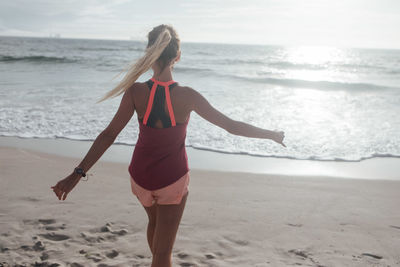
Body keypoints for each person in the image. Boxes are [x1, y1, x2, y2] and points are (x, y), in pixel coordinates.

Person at [51, 24, 286, 267]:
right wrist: (270, 134)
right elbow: (231, 126)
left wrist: (76, 174)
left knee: (155, 224)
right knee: (163, 254)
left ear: (149, 53)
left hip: (140, 179)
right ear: (178, 56)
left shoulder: (135, 91)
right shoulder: (188, 96)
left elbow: (108, 134)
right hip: (172, 180)